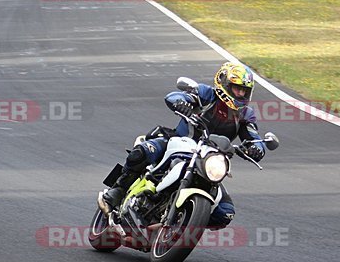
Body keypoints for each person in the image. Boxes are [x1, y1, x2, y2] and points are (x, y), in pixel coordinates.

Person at [97, 62, 266, 227]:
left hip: (210, 159)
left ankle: (181, 223)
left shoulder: (245, 114)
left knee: (225, 213)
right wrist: (181, 103)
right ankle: (117, 191)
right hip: (179, 143)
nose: (240, 94)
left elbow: (254, 137)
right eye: (237, 88)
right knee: (142, 152)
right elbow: (174, 96)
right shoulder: (206, 94)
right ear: (223, 83)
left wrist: (256, 149)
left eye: (245, 91)